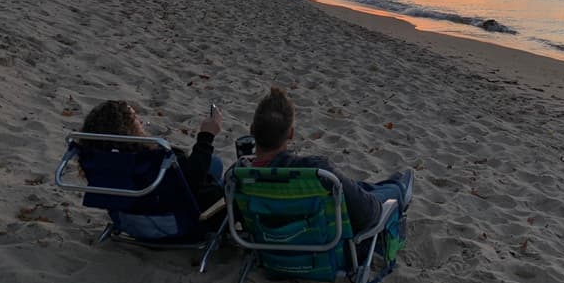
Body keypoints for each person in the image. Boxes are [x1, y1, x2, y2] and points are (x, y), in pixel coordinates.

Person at [246, 86, 413, 234]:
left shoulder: (239, 177)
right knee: (393, 192)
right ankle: (398, 186)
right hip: (319, 242)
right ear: (291, 134)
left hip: (271, 239)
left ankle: (392, 183)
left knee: (358, 188)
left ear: (252, 129)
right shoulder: (314, 171)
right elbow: (367, 215)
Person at [79, 100, 225, 211]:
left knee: (214, 163)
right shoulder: (153, 159)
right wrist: (207, 135)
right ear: (126, 130)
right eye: (135, 119)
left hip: (132, 217)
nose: (141, 122)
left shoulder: (103, 162)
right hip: (176, 221)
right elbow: (193, 179)